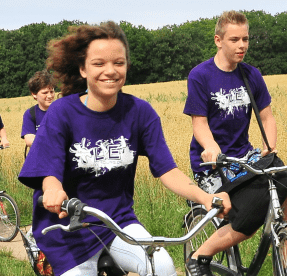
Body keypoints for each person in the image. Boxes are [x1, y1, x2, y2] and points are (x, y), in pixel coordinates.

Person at [18, 21, 222, 276]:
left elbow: (167, 170)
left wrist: (207, 198)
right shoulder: (62, 112)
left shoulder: (140, 113)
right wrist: (53, 191)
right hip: (69, 227)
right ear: (83, 69)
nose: (110, 71)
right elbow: (50, 170)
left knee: (164, 267)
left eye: (118, 63)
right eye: (99, 63)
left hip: (118, 221)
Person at [181, 11, 287, 276]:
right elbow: (199, 123)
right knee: (244, 211)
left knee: (285, 193)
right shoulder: (201, 75)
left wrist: (269, 145)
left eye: (245, 39)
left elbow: (267, 117)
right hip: (213, 164)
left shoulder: (251, 74)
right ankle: (199, 257)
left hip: (244, 157)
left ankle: (286, 265)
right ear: (218, 40)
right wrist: (211, 147)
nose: (242, 45)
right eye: (234, 40)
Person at [21, 70, 57, 151]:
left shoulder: (62, 111)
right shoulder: (30, 114)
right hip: (40, 160)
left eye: (52, 91)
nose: (50, 96)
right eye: (45, 93)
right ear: (34, 94)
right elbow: (29, 140)